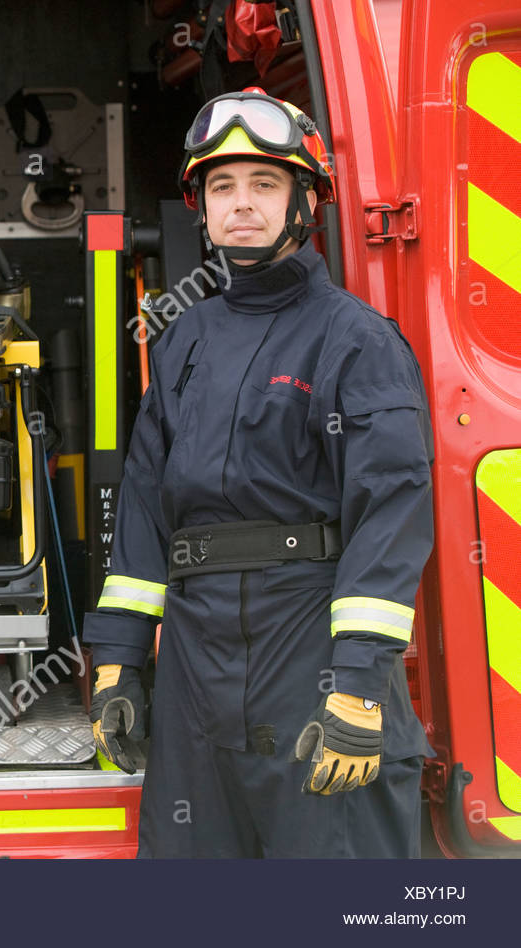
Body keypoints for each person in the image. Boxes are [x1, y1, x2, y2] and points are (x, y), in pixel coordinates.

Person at [83, 88, 434, 857]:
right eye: (222, 187)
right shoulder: (179, 344)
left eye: (265, 184)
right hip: (194, 670)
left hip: (308, 651)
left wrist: (358, 683)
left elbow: (391, 512)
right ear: (200, 209)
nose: (241, 205)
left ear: (306, 202)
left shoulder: (357, 341)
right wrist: (116, 659)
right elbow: (144, 510)